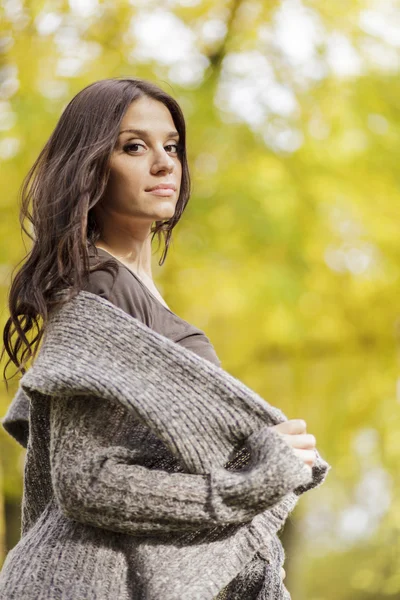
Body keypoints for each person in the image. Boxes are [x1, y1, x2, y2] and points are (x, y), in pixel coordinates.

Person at [0, 78, 329, 599]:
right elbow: (87, 481)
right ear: (90, 169)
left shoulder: (131, 292)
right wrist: (251, 482)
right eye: (134, 147)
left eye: (171, 146)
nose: (164, 163)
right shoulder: (97, 288)